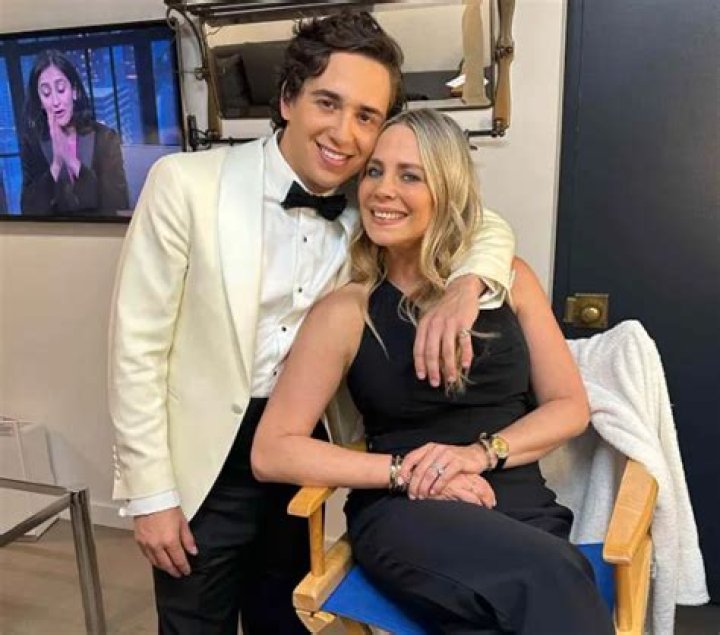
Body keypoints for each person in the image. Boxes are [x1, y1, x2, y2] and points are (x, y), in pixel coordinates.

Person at [109, 12, 515, 635]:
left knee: (289, 618)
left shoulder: (371, 201)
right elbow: (135, 351)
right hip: (203, 458)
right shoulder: (186, 184)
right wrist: (151, 495)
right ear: (287, 100)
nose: (345, 133)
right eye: (329, 103)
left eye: (367, 117)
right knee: (193, 624)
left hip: (309, 444)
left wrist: (468, 284)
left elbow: (478, 221)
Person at [252, 108, 616, 635]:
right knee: (554, 576)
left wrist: (476, 455)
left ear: (447, 190)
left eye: (410, 176)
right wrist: (406, 472)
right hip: (408, 510)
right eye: (374, 171)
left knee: (513, 602)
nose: (383, 190)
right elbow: (273, 451)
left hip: (518, 504)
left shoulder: (509, 282)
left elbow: (569, 407)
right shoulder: (347, 311)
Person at [20, 49, 129, 216]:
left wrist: (73, 162)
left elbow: (118, 201)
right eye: (46, 93)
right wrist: (56, 165)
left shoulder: (105, 138)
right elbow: (28, 210)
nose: (55, 101)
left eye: (61, 89)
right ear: (40, 101)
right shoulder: (33, 144)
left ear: (74, 91)